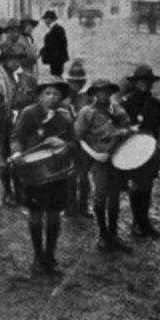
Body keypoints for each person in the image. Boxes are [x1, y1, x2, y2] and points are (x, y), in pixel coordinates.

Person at [10, 75, 77, 275]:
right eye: (47, 93)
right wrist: (16, 153)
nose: (51, 98)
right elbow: (16, 137)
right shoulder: (29, 113)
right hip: (33, 172)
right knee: (36, 213)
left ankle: (50, 254)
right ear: (39, 96)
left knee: (54, 213)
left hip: (57, 172)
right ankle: (38, 256)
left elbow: (75, 143)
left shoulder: (64, 117)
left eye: (56, 94)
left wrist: (64, 144)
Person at [75, 78, 137, 253]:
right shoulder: (87, 113)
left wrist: (127, 134)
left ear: (111, 93)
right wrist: (95, 154)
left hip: (117, 159)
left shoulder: (118, 112)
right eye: (99, 92)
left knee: (115, 197)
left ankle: (114, 234)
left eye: (106, 92)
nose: (103, 95)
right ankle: (103, 234)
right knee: (101, 195)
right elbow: (79, 137)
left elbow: (127, 133)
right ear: (93, 94)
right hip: (99, 161)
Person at [120, 65, 160, 238]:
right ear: (135, 83)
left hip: (151, 147)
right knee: (136, 185)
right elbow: (120, 128)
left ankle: (144, 222)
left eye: (147, 81)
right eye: (141, 81)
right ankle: (136, 223)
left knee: (148, 185)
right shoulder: (126, 103)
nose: (144, 85)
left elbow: (158, 130)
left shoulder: (157, 104)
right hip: (133, 148)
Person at [0, 45, 36, 207]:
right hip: (5, 122)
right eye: (10, 59)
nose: (13, 62)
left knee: (24, 155)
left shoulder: (28, 78)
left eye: (17, 59)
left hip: (25, 121)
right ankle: (7, 191)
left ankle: (22, 190)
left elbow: (34, 98)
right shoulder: (0, 78)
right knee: (6, 157)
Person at [61, 61, 94, 218]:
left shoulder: (87, 99)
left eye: (79, 82)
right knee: (69, 175)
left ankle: (83, 206)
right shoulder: (63, 98)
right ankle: (69, 206)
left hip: (84, 141)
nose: (76, 84)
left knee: (84, 176)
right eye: (73, 81)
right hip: (68, 140)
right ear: (68, 81)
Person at [39, 11, 68, 77]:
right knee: (56, 76)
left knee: (56, 76)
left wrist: (43, 52)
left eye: (45, 19)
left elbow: (57, 45)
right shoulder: (54, 29)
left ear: (50, 19)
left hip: (57, 59)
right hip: (55, 59)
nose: (45, 22)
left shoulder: (57, 29)